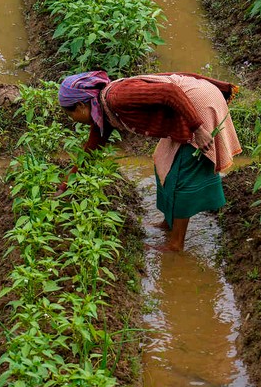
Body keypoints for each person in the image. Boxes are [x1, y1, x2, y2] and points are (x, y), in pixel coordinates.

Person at [58, 70, 242, 252]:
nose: (72, 120)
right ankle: (167, 223)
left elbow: (170, 92)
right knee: (164, 161)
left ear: (81, 106)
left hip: (197, 105)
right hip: (182, 108)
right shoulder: (103, 112)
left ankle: (175, 245)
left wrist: (198, 129)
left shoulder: (117, 98)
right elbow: (90, 151)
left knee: (181, 174)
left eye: (69, 115)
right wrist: (64, 187)